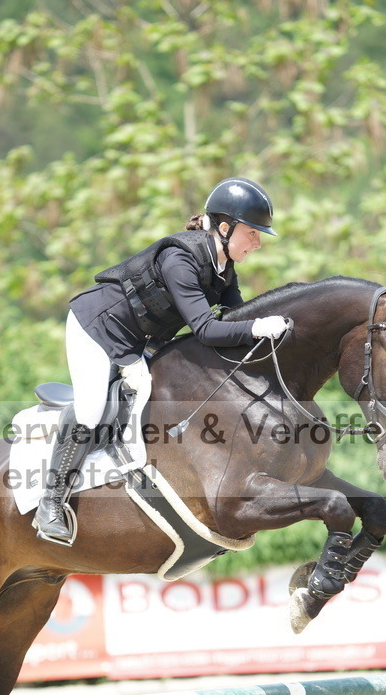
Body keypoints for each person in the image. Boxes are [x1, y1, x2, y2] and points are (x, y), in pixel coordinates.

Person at [33, 177, 289, 543]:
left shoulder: (223, 269)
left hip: (137, 338)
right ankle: (51, 504)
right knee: (91, 410)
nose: (258, 242)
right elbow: (205, 329)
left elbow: (235, 318)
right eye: (252, 233)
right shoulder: (180, 259)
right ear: (224, 227)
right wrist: (258, 327)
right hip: (97, 328)